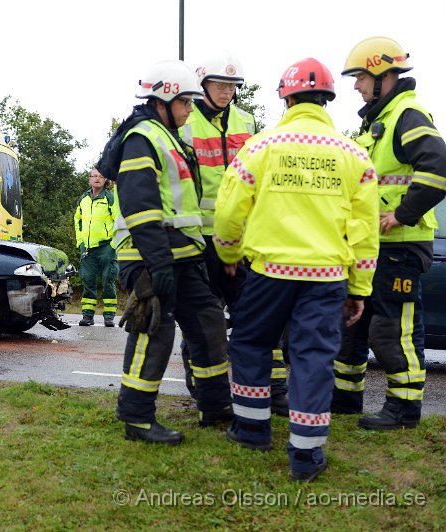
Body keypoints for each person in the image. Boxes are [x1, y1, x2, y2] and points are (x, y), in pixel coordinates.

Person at [214, 58, 379, 481]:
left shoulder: (261, 146)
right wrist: (360, 287)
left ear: (286, 97)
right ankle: (305, 455)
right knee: (313, 359)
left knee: (250, 342)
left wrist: (230, 256)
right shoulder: (354, 155)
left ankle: (251, 428)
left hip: (269, 271)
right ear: (327, 98)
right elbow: (364, 233)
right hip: (326, 278)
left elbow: (230, 213)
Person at [110, 59, 230, 445]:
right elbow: (140, 207)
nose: (191, 109)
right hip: (149, 256)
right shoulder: (142, 138)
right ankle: (137, 419)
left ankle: (215, 408)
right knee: (154, 331)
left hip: (181, 256)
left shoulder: (168, 135)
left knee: (209, 325)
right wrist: (158, 262)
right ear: (163, 99)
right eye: (185, 102)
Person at [333, 37, 446, 429]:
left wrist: (403, 213)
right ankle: (345, 399)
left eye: (361, 76)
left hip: (399, 246)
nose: (356, 86)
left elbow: (438, 166)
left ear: (384, 75)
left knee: (392, 331)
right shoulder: (378, 120)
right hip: (373, 248)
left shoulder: (407, 115)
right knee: (354, 326)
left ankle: (403, 410)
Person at [179, 50, 290, 418]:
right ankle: (206, 392)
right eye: (219, 84)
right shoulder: (185, 121)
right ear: (202, 85)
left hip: (241, 239)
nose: (226, 91)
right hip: (199, 238)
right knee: (201, 321)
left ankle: (274, 392)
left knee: (258, 316)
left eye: (231, 85)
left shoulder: (247, 120)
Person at [74, 168, 118, 327]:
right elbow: (77, 220)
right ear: (89, 179)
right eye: (94, 176)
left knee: (108, 280)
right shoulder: (83, 199)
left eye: (100, 176)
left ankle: (109, 316)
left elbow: (118, 221)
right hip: (87, 248)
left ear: (105, 180)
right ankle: (87, 316)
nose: (97, 179)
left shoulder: (110, 198)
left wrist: (114, 244)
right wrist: (80, 242)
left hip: (107, 246)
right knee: (87, 280)